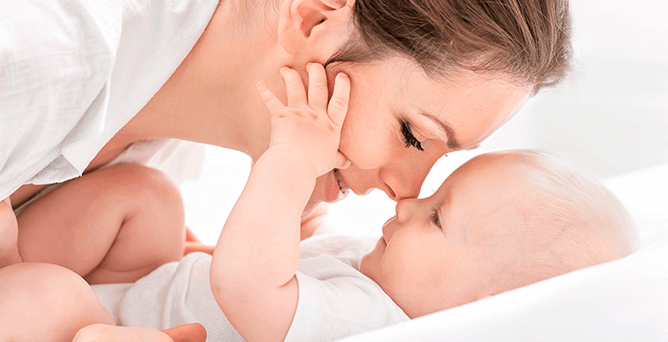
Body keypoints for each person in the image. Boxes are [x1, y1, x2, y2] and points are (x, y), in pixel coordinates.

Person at [0, 69, 636, 342]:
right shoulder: (375, 272)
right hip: (149, 289)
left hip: (119, 326)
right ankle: (19, 260)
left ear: (482, 303)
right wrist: (304, 205)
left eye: (438, 217)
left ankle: (16, 268)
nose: (407, 206)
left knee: (51, 295)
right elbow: (283, 257)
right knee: (148, 198)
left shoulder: (370, 324)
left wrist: (288, 162)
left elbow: (251, 283)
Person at [1, 0, 573, 257]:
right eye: (412, 134)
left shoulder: (160, 123)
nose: (409, 193)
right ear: (314, 19)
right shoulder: (43, 57)